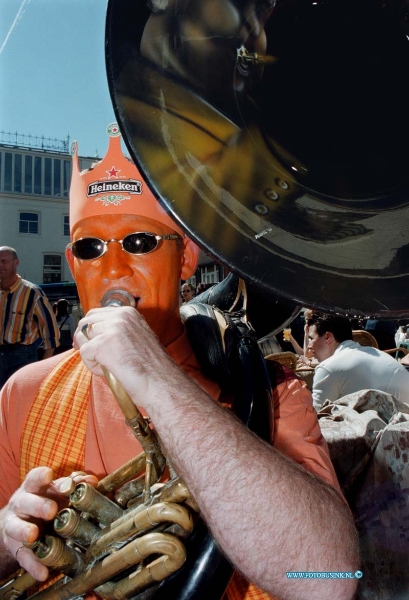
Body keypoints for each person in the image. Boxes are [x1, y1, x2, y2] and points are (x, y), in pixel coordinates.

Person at [0, 128, 359, 600]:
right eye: (90, 248)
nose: (112, 269)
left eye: (140, 241)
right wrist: (11, 536)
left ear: (186, 257)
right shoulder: (23, 391)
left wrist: (156, 380)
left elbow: (329, 582)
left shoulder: (272, 393)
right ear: (72, 262)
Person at [308, 312, 409, 410]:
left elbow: (314, 421)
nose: (309, 346)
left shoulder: (328, 368)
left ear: (327, 337)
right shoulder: (372, 353)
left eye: (311, 339)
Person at [0, 247, 59, 388]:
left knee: (20, 400)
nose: (0, 265)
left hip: (22, 357)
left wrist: (42, 369)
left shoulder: (32, 293)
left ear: (16, 263)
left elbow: (50, 333)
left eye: (4, 261)